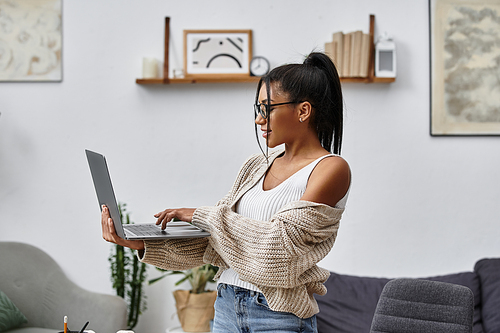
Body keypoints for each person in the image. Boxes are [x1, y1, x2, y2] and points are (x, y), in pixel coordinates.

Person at [101, 51, 351, 333]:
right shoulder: (255, 167)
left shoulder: (330, 169)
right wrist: (143, 244)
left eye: (267, 108)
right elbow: (217, 243)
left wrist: (200, 215)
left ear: (303, 111)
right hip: (226, 307)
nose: (259, 120)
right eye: (257, 109)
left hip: (277, 317)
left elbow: (279, 251)